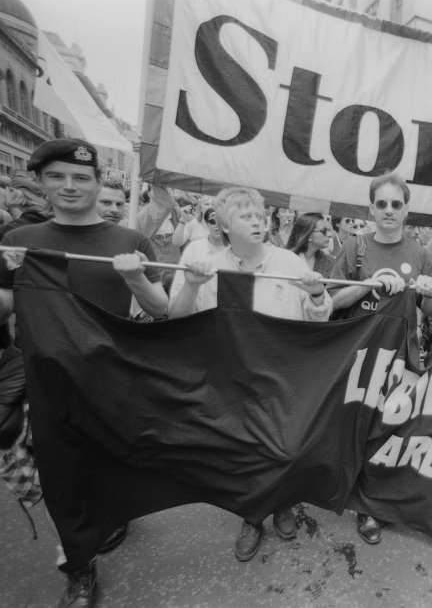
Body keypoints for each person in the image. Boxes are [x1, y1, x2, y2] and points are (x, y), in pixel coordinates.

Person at [0, 138, 168, 608]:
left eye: (80, 177)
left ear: (98, 183)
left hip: (112, 381)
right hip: (47, 385)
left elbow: (160, 310)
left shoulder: (130, 241)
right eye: (56, 176)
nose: (69, 186)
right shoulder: (17, 241)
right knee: (61, 478)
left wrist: (135, 277)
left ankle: (112, 513)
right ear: (40, 183)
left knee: (115, 465)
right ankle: (78, 567)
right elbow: (6, 305)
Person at [169, 187, 330, 563]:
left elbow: (316, 321)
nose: (258, 221)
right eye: (246, 216)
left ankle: (283, 503)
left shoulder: (290, 263)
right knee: (242, 452)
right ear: (224, 224)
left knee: (286, 445)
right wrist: (192, 284)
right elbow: (176, 319)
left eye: (260, 215)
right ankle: (251, 514)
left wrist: (319, 296)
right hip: (230, 377)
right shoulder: (205, 264)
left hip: (283, 375)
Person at [326, 172, 432, 546]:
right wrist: (369, 284)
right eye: (382, 204)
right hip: (355, 353)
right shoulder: (355, 247)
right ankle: (345, 492)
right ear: (370, 208)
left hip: (399, 358)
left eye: (396, 204)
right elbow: (332, 302)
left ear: (407, 210)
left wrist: (428, 290)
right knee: (351, 427)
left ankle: (369, 504)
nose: (389, 210)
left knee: (384, 429)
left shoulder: (421, 253)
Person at [168, 207, 227, 308]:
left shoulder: (238, 250)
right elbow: (177, 288)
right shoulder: (193, 248)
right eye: (212, 221)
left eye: (221, 220)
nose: (217, 224)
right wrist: (182, 220)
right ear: (207, 224)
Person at [286, 212, 335, 277]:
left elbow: (329, 286)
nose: (329, 235)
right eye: (324, 230)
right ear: (309, 236)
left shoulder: (329, 262)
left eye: (329, 230)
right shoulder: (286, 258)